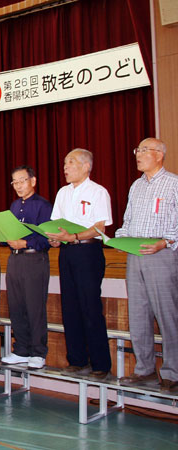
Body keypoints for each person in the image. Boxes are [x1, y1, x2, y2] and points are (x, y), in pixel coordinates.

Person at [116, 138, 178, 392]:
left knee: (167, 314)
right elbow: (128, 220)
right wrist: (120, 236)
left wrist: (165, 242)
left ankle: (173, 372)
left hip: (161, 254)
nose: (138, 155)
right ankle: (145, 370)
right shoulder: (136, 186)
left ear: (159, 155)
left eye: (143, 150)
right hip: (135, 255)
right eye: (137, 150)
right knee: (138, 315)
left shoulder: (173, 183)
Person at [46, 148, 113, 380]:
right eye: (65, 163)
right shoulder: (63, 192)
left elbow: (100, 227)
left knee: (90, 306)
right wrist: (55, 239)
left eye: (71, 162)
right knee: (70, 306)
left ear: (86, 166)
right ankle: (77, 359)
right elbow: (56, 224)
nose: (65, 167)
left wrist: (74, 236)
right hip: (67, 253)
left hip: (88, 252)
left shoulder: (98, 192)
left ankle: (100, 364)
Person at [0, 166, 52, 369]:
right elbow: (12, 233)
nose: (18, 186)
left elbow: (47, 237)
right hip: (15, 259)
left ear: (33, 181)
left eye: (22, 181)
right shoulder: (15, 205)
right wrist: (1, 237)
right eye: (14, 182)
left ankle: (38, 352)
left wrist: (25, 243)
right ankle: (21, 349)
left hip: (34, 259)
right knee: (16, 306)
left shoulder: (43, 205)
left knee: (34, 306)